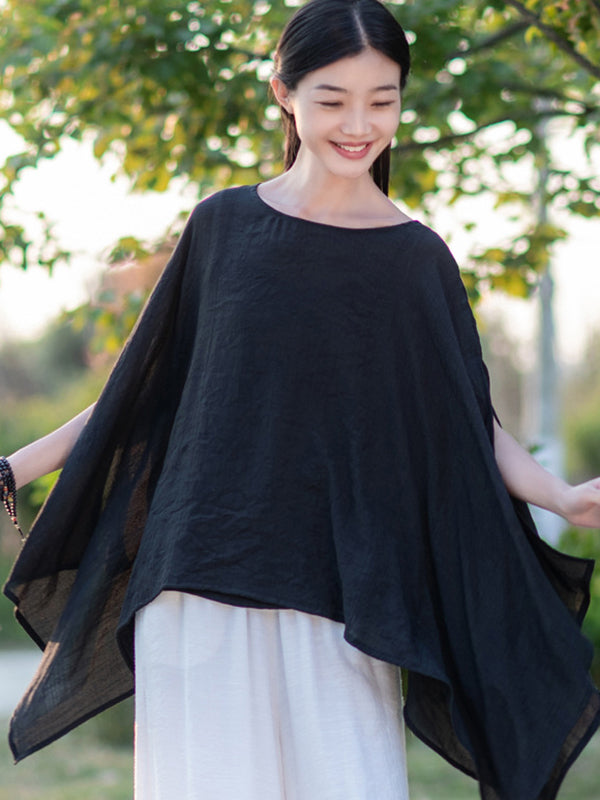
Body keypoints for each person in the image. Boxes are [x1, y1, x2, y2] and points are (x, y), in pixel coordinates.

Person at [2, 1, 600, 798]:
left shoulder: (415, 261)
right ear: (283, 92)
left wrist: (560, 495)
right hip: (197, 580)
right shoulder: (223, 228)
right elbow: (139, 393)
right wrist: (12, 467)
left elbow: (466, 421)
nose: (359, 124)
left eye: (382, 100)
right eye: (333, 99)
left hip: (342, 593)